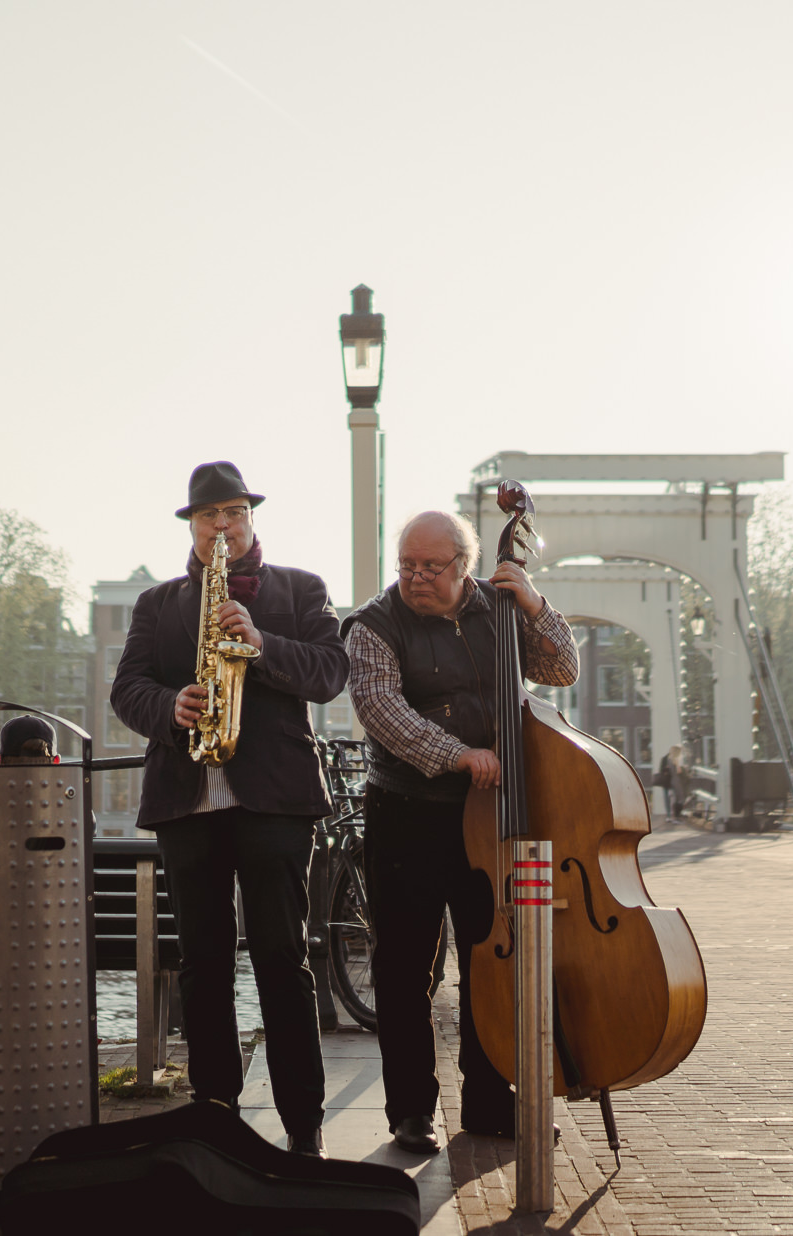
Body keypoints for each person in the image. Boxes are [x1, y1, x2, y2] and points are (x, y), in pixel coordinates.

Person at [111, 462, 348, 1156]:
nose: (223, 527)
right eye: (209, 516)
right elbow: (127, 689)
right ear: (191, 524)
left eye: (234, 514)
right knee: (203, 964)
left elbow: (331, 673)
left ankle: (302, 1123)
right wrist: (168, 706)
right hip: (189, 802)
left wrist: (262, 643)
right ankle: (214, 1109)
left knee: (282, 957)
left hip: (275, 802)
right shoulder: (157, 604)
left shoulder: (300, 590)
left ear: (251, 519)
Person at [342, 508, 579, 1153]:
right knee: (405, 965)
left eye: (431, 566)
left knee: (489, 958)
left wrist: (533, 604)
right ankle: (412, 1110)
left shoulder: (499, 609)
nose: (416, 577)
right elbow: (380, 709)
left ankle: (489, 1102)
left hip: (491, 814)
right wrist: (458, 754)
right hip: (408, 810)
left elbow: (562, 671)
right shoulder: (373, 625)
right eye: (407, 565)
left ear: (465, 566)